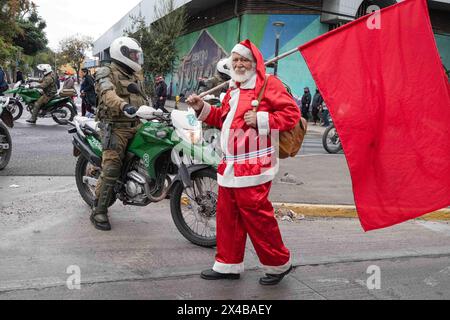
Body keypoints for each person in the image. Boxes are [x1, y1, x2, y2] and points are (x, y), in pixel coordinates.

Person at [186, 39, 300, 286]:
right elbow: (221, 118)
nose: (238, 64)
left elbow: (291, 115)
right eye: (235, 60)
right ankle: (228, 264)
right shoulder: (233, 89)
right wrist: (201, 108)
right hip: (230, 165)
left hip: (254, 165)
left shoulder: (269, 85)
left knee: (258, 218)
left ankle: (279, 263)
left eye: (244, 60)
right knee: (228, 217)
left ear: (254, 62)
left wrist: (260, 118)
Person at [91, 36, 146, 231]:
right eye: (132, 55)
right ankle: (99, 210)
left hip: (137, 124)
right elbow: (107, 94)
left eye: (136, 55)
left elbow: (144, 97)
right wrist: (123, 105)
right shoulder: (107, 71)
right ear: (121, 53)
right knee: (112, 167)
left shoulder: (135, 76)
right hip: (115, 126)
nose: (135, 58)